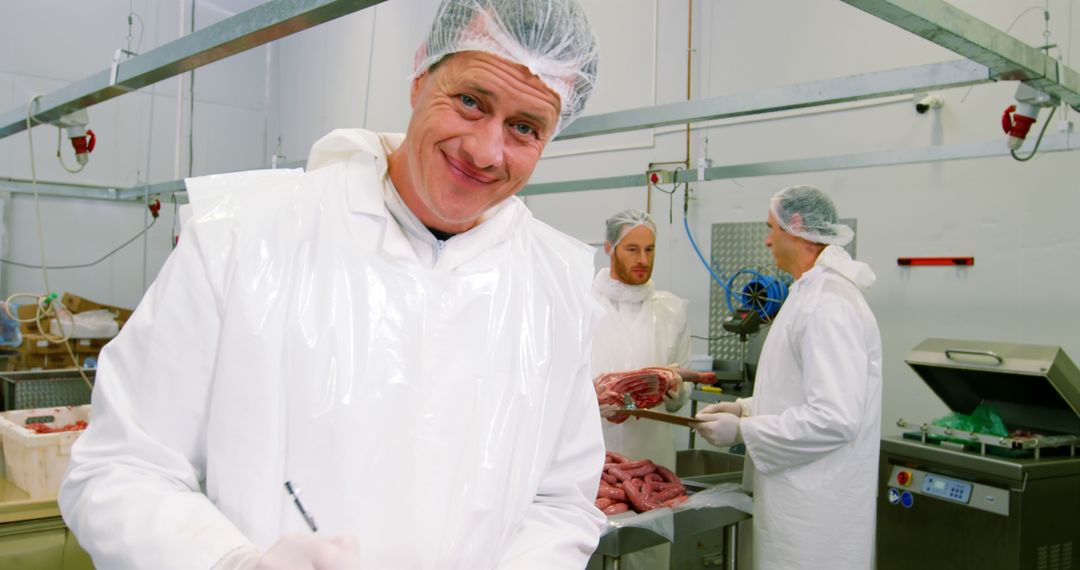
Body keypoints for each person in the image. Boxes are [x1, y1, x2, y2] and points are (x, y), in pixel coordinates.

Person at [59, 1, 604, 569]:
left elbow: (561, 500)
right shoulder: (243, 238)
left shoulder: (555, 289)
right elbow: (120, 467)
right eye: (470, 101)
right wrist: (229, 564)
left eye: (524, 128)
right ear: (420, 78)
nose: (485, 151)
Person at [694, 185, 882, 570]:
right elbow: (798, 392)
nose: (766, 240)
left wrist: (744, 432)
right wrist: (746, 408)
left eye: (771, 228)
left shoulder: (829, 305)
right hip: (796, 501)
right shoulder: (807, 294)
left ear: (795, 226)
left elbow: (835, 418)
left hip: (815, 516)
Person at [591, 209, 690, 569]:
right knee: (591, 549)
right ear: (609, 248)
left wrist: (676, 391)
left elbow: (681, 392)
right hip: (593, 455)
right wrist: (598, 398)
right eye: (632, 249)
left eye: (650, 250)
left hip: (653, 458)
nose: (643, 260)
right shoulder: (582, 305)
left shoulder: (671, 311)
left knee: (648, 554)